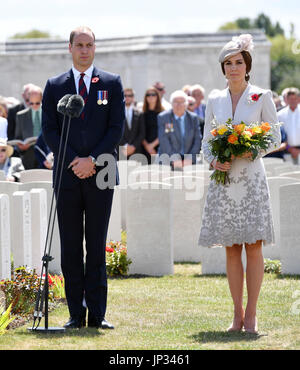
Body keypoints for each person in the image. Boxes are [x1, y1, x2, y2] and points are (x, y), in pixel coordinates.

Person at [42, 26, 125, 330]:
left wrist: (91, 160)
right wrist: (75, 161)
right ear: (70, 48)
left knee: (96, 245)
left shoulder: (111, 83)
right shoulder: (54, 85)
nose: (85, 50)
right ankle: (75, 313)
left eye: (89, 45)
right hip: (66, 175)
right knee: (71, 248)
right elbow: (49, 131)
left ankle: (97, 315)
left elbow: (116, 129)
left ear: (94, 47)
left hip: (100, 173)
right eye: (79, 45)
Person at [198, 34, 281, 334]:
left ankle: (252, 314)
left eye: (238, 62)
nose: (233, 68)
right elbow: (206, 142)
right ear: (223, 68)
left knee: (254, 247)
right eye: (228, 63)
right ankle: (236, 315)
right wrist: (213, 160)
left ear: (247, 66)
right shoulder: (214, 99)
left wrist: (254, 149)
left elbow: (275, 137)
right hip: (224, 181)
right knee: (232, 249)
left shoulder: (262, 96)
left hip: (252, 180)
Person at [157, 90, 202, 170]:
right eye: (176, 102)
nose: (179, 105)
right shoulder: (164, 117)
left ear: (186, 104)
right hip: (168, 161)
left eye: (182, 102)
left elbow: (197, 139)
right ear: (171, 103)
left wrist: (190, 158)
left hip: (189, 161)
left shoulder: (193, 118)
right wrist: (174, 159)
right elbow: (164, 140)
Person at [15, 85, 43, 169]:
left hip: (46, 160)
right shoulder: (21, 116)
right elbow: (18, 138)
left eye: (37, 103)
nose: (34, 106)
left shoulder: (49, 114)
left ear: (42, 99)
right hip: (28, 160)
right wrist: (21, 147)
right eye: (31, 103)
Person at [119, 88, 145, 160]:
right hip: (121, 151)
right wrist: (125, 146)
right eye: (125, 95)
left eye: (130, 95)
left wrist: (133, 146)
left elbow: (142, 133)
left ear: (133, 97)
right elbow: (115, 131)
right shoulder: (116, 113)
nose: (127, 98)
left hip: (136, 151)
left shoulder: (140, 113)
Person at [141, 86, 164, 164]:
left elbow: (168, 131)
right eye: (148, 95)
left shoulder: (165, 114)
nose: (151, 97)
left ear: (157, 96)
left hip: (160, 148)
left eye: (153, 94)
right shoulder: (141, 114)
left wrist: (152, 145)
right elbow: (139, 132)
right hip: (144, 149)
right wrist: (148, 146)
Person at [277, 87, 300, 164]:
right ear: (286, 99)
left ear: (298, 99)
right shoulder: (280, 115)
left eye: (295, 99)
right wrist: (290, 149)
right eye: (290, 99)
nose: (292, 101)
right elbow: (279, 135)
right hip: (287, 151)